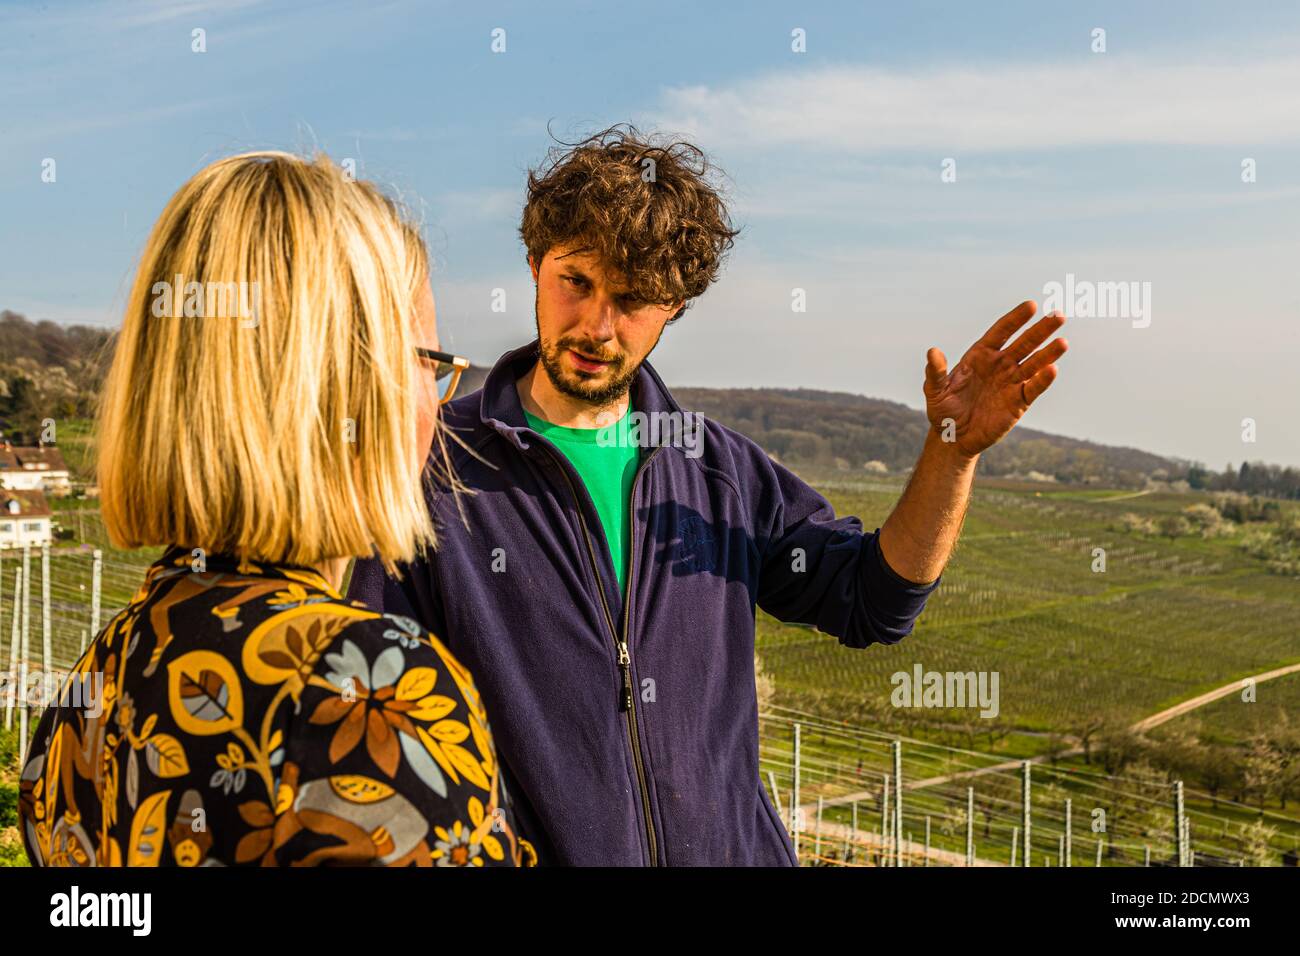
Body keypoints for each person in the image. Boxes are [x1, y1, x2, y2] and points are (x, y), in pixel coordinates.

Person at [347, 126, 1067, 866]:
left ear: (677, 307)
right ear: (534, 262)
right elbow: (365, 707)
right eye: (577, 281)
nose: (597, 325)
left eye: (633, 300)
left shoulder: (718, 470)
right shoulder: (433, 469)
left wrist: (951, 456)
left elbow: (875, 603)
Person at [18, 151, 535, 868]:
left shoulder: (89, 692)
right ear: (342, 384)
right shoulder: (369, 688)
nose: (438, 400)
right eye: (427, 360)